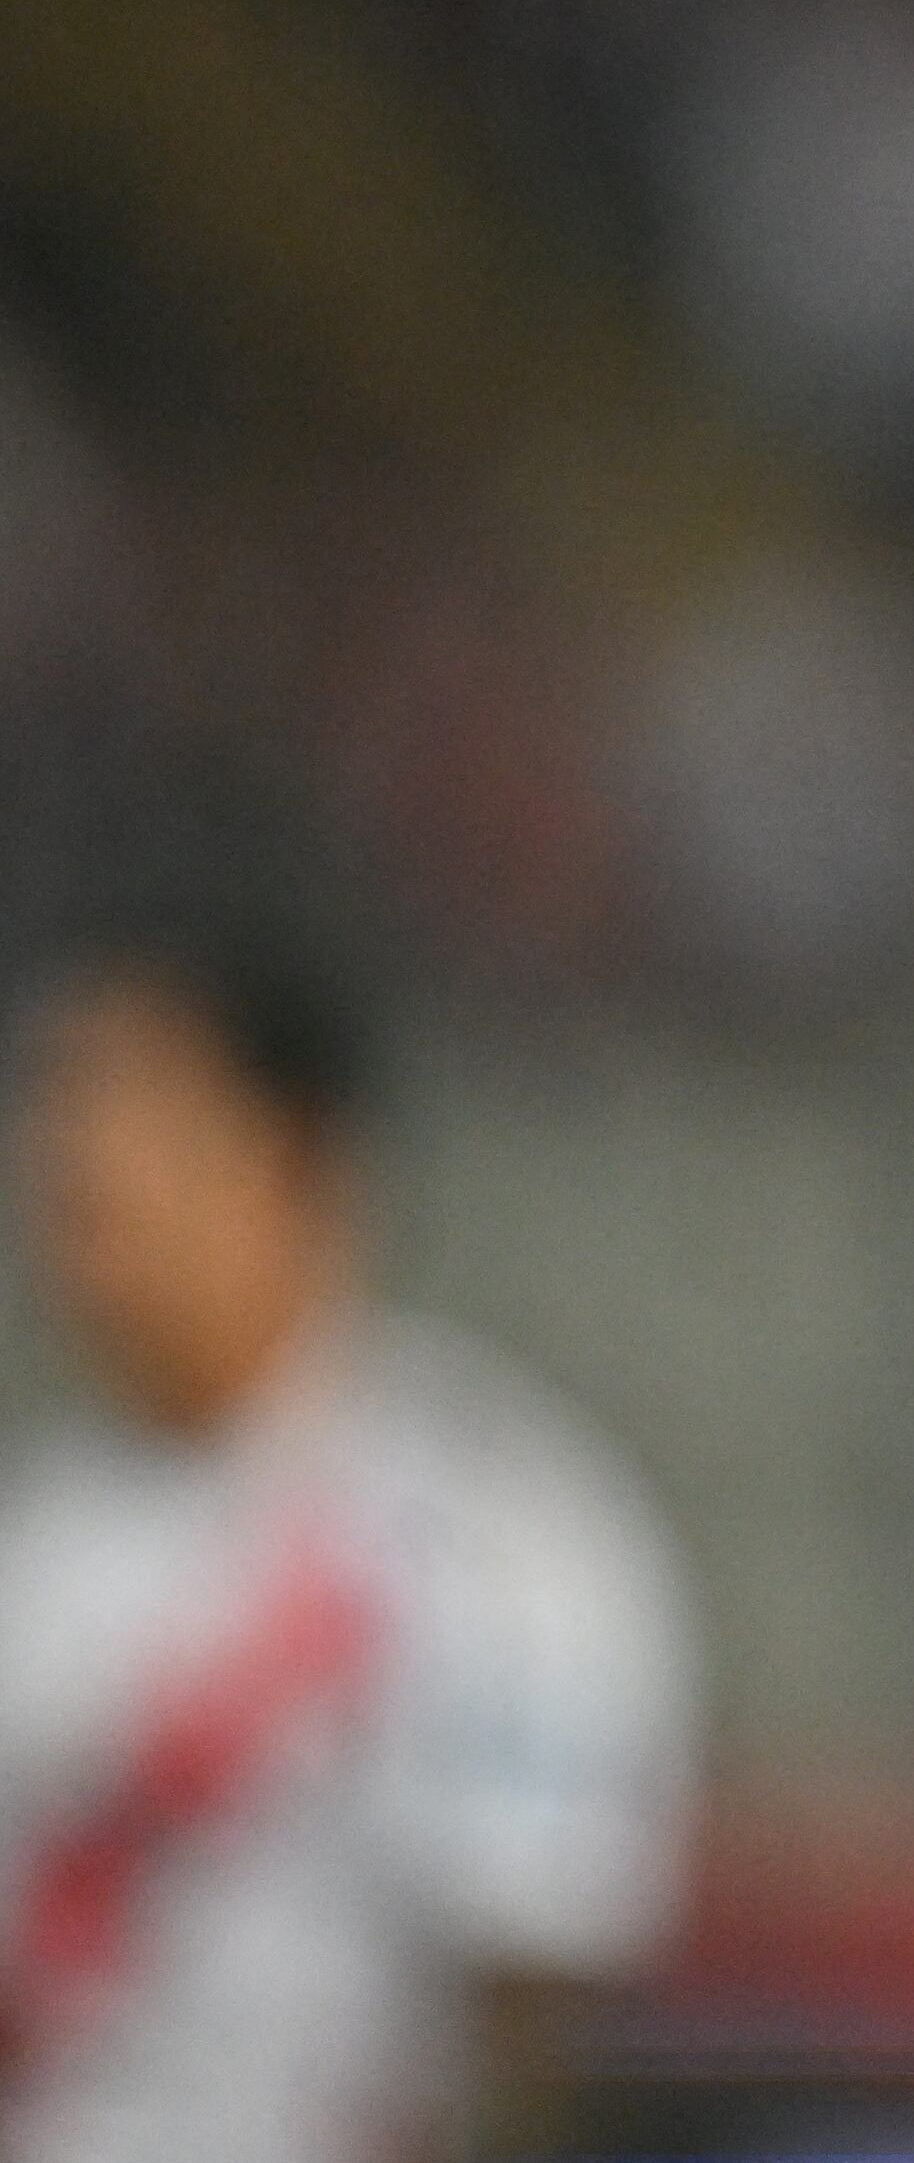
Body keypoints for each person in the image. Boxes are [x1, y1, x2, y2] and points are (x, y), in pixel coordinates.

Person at [0, 914, 698, 2163]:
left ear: (297, 1158)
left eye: (131, 1106)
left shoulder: (489, 1528)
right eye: (60, 1114)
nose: (74, 1159)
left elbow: (530, 2015)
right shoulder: (38, 1528)